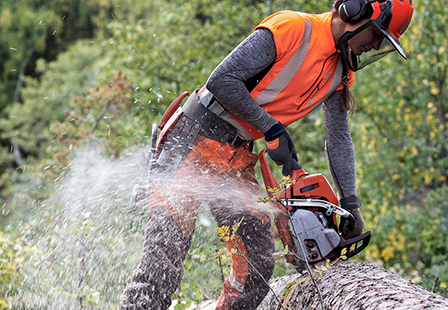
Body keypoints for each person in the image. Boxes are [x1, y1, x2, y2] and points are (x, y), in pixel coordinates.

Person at [118, 0, 413, 309]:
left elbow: (338, 136)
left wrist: (351, 202)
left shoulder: (339, 72)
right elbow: (221, 80)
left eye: (384, 41)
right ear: (355, 11)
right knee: (161, 268)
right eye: (377, 34)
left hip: (237, 153)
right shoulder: (293, 28)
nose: (376, 44)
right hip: (194, 138)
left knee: (257, 266)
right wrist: (271, 129)